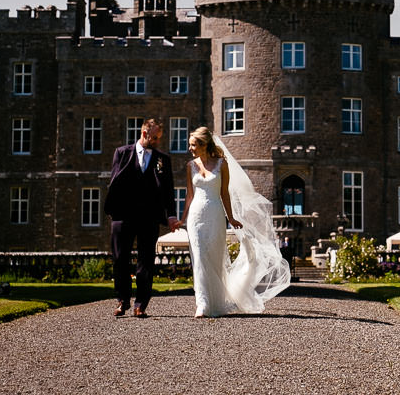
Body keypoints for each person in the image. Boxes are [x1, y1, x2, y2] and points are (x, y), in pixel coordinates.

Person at [179, 126, 291, 317]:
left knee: (213, 258)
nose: (190, 148)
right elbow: (189, 195)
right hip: (196, 216)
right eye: (189, 145)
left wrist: (230, 217)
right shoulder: (190, 166)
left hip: (215, 214)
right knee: (198, 258)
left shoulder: (222, 164)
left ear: (204, 145)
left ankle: (216, 302)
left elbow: (224, 193)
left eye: (193, 145)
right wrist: (182, 218)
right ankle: (202, 303)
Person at [104, 118, 178, 318]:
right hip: (122, 215)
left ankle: (140, 305)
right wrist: (112, 210)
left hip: (149, 217)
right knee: (120, 259)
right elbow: (114, 182)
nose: (157, 141)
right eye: (154, 138)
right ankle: (122, 300)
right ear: (144, 133)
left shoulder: (163, 159)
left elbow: (168, 191)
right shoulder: (122, 153)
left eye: (159, 138)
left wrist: (171, 215)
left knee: (146, 260)